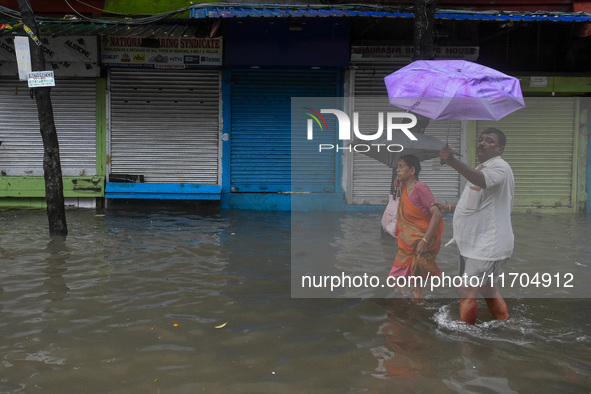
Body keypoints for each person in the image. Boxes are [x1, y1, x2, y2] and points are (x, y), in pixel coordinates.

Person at [434, 127, 514, 324]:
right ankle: (504, 321)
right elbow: (476, 202)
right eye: (480, 139)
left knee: (466, 289)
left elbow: (484, 182)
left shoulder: (499, 168)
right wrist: (449, 207)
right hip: (473, 244)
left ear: (500, 149)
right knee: (487, 288)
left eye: (489, 141)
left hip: (487, 245)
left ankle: (467, 336)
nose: (482, 143)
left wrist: (452, 161)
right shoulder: (481, 168)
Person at [389, 154, 443, 300]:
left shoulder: (421, 188)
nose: (397, 171)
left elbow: (437, 214)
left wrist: (424, 241)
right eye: (397, 167)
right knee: (398, 277)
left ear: (412, 170)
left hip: (420, 242)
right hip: (408, 244)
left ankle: (416, 310)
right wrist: (397, 186)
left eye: (401, 167)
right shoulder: (404, 187)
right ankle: (412, 304)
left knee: (413, 284)